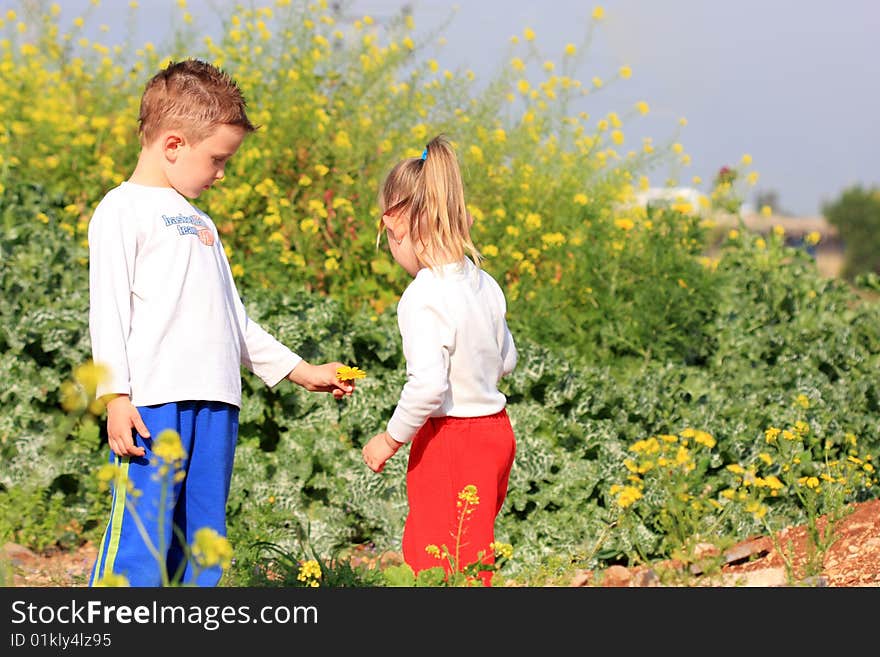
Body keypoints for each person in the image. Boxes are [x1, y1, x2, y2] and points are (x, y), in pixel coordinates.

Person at [87, 58, 354, 587]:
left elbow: (235, 323)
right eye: (216, 159)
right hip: (153, 406)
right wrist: (116, 397)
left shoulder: (202, 223)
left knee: (203, 537)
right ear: (172, 145)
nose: (221, 173)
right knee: (143, 534)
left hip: (217, 403)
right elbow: (108, 309)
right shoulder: (121, 210)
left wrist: (303, 371)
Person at [362, 135, 518, 586]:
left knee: (436, 557)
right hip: (495, 432)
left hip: (453, 437)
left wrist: (389, 440)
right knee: (474, 552)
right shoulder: (483, 282)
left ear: (399, 227)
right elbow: (507, 359)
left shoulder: (423, 296)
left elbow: (428, 387)